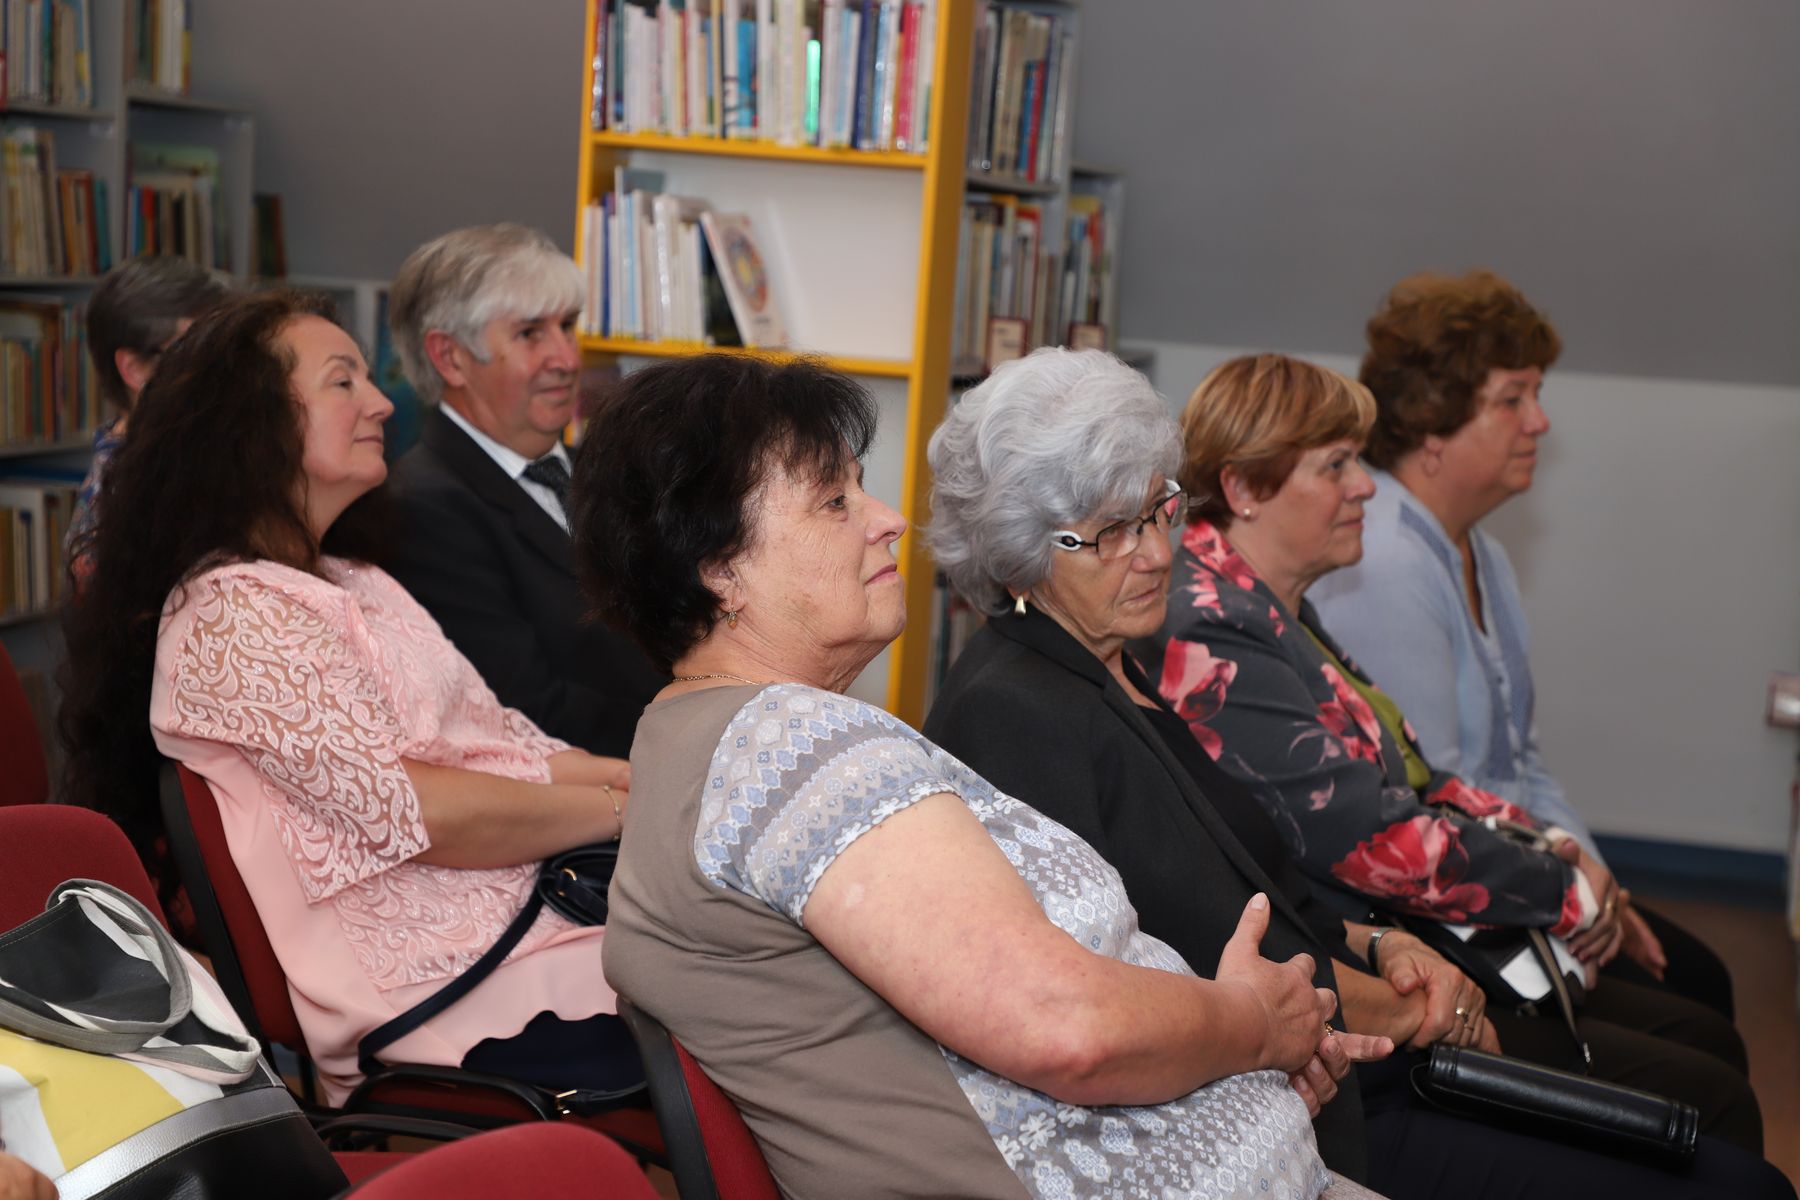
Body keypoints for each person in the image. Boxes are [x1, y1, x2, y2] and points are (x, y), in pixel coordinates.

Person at [920, 348, 1791, 1199]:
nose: (1153, 553)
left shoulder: (1118, 657)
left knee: (1716, 1141)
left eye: (1157, 512)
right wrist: (1403, 1008)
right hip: (1274, 1106)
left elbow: (1243, 876)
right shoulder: (1015, 711)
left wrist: (1379, 944)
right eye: (1110, 534)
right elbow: (1125, 980)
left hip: (1335, 1051)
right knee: (1729, 1171)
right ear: (1017, 548)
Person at [578, 353, 1390, 1200]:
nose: (890, 520)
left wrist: (1235, 1058)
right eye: (834, 501)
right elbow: (1066, 1027)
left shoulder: (708, 740)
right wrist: (1251, 1025)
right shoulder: (789, 745)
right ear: (718, 567)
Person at [1141, 353, 1764, 1153]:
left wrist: (1558, 851)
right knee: (1708, 1085)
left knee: (1703, 1036)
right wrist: (1560, 887)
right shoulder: (1210, 620)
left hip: (1404, 936)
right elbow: (1365, 836)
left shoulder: (1267, 605)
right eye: (1337, 466)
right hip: (1370, 966)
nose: (1366, 487)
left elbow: (1420, 779)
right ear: (1243, 488)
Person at [59, 290, 638, 1106]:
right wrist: (625, 808)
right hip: (447, 988)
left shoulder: (354, 578)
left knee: (756, 959)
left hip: (535, 919)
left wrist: (646, 781)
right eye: (344, 382)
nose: (380, 404)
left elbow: (510, 743)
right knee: (753, 998)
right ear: (252, 423)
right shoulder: (233, 613)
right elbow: (422, 815)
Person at [1310, 269, 1731, 1017]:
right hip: (1454, 909)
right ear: (1432, 423)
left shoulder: (1484, 554)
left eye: (1537, 394)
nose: (1539, 421)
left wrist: (1599, 881)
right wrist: (1575, 891)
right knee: (1697, 1012)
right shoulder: (1385, 562)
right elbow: (1430, 799)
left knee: (1700, 981)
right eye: (1513, 399)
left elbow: (1522, 763)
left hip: (1517, 868)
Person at [385, 224, 664, 756]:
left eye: (568, 326)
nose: (567, 359)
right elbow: (520, 713)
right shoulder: (422, 507)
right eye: (530, 334)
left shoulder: (609, 470)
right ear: (450, 358)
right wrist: (706, 736)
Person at [65, 257, 233, 575]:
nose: (225, 366)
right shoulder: (125, 500)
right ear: (135, 370)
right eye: (200, 349)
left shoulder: (199, 453)